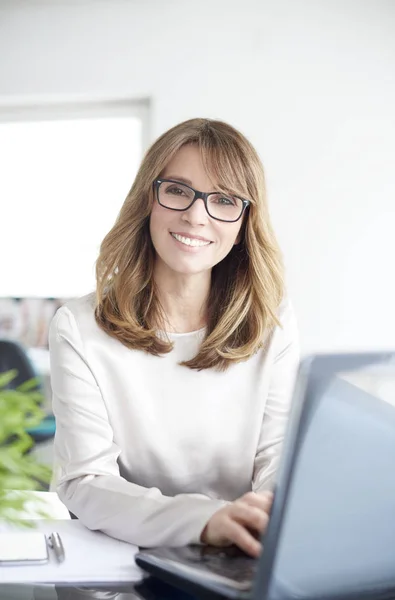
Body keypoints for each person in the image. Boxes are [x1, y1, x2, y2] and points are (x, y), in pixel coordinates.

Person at [49, 118, 299, 558]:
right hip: (127, 557)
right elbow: (85, 482)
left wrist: (269, 518)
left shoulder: (272, 320)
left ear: (245, 220)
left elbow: (276, 459)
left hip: (244, 551)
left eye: (223, 200)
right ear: (150, 198)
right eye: (178, 190)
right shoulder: (78, 326)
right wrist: (204, 520)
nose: (196, 215)